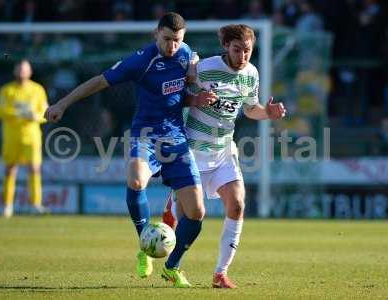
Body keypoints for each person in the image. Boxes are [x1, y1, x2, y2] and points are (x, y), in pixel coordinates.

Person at [44, 12, 217, 288]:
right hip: (145, 136)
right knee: (136, 180)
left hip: (175, 139)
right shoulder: (140, 61)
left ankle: (172, 268)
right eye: (167, 39)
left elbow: (176, 95)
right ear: (155, 34)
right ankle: (144, 244)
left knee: (197, 212)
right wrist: (62, 104)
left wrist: (195, 97)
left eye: (178, 40)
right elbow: (98, 82)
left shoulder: (185, 54)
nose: (173, 46)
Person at [162, 24, 286, 288]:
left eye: (247, 50)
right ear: (226, 47)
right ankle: (172, 262)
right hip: (193, 151)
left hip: (223, 151)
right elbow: (176, 96)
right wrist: (194, 96)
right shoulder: (205, 68)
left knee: (238, 204)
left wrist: (268, 113)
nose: (242, 56)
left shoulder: (251, 73)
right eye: (237, 49)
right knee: (189, 219)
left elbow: (251, 109)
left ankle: (220, 273)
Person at [0, 59, 49, 218]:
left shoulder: (37, 90)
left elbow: (45, 113)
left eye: (24, 70)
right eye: (19, 69)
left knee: (34, 168)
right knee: (10, 169)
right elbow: (1, 111)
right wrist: (20, 114)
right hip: (11, 136)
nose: (21, 72)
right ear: (14, 72)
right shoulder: (6, 90)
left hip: (31, 136)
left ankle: (35, 204)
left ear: (30, 72)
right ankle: (7, 206)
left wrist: (36, 116)